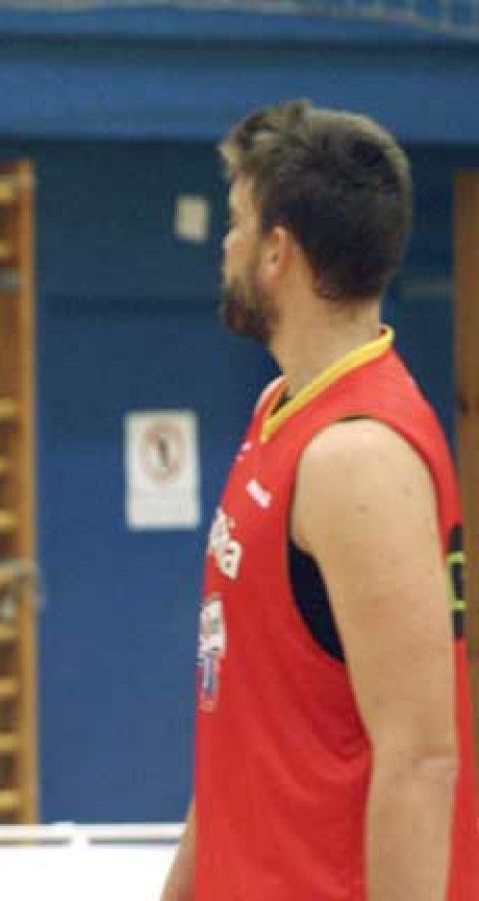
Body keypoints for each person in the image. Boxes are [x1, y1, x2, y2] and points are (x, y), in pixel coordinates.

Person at [161, 99, 479, 900]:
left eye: (237, 222)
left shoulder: (357, 456)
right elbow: (245, 711)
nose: (225, 244)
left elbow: (422, 758)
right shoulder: (281, 409)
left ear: (277, 251)